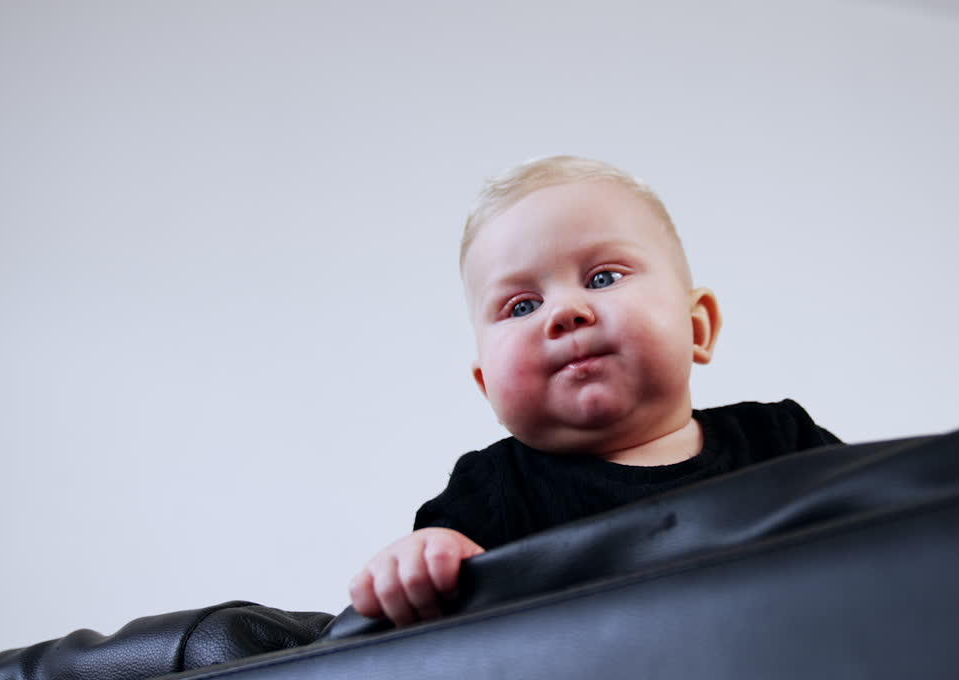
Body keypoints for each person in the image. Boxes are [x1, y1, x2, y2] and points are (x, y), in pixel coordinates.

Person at [348, 156, 841, 626]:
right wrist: (421, 561)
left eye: (603, 277)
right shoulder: (492, 491)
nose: (565, 311)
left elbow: (892, 529)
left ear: (698, 326)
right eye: (522, 306)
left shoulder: (782, 439)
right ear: (487, 388)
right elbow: (435, 623)